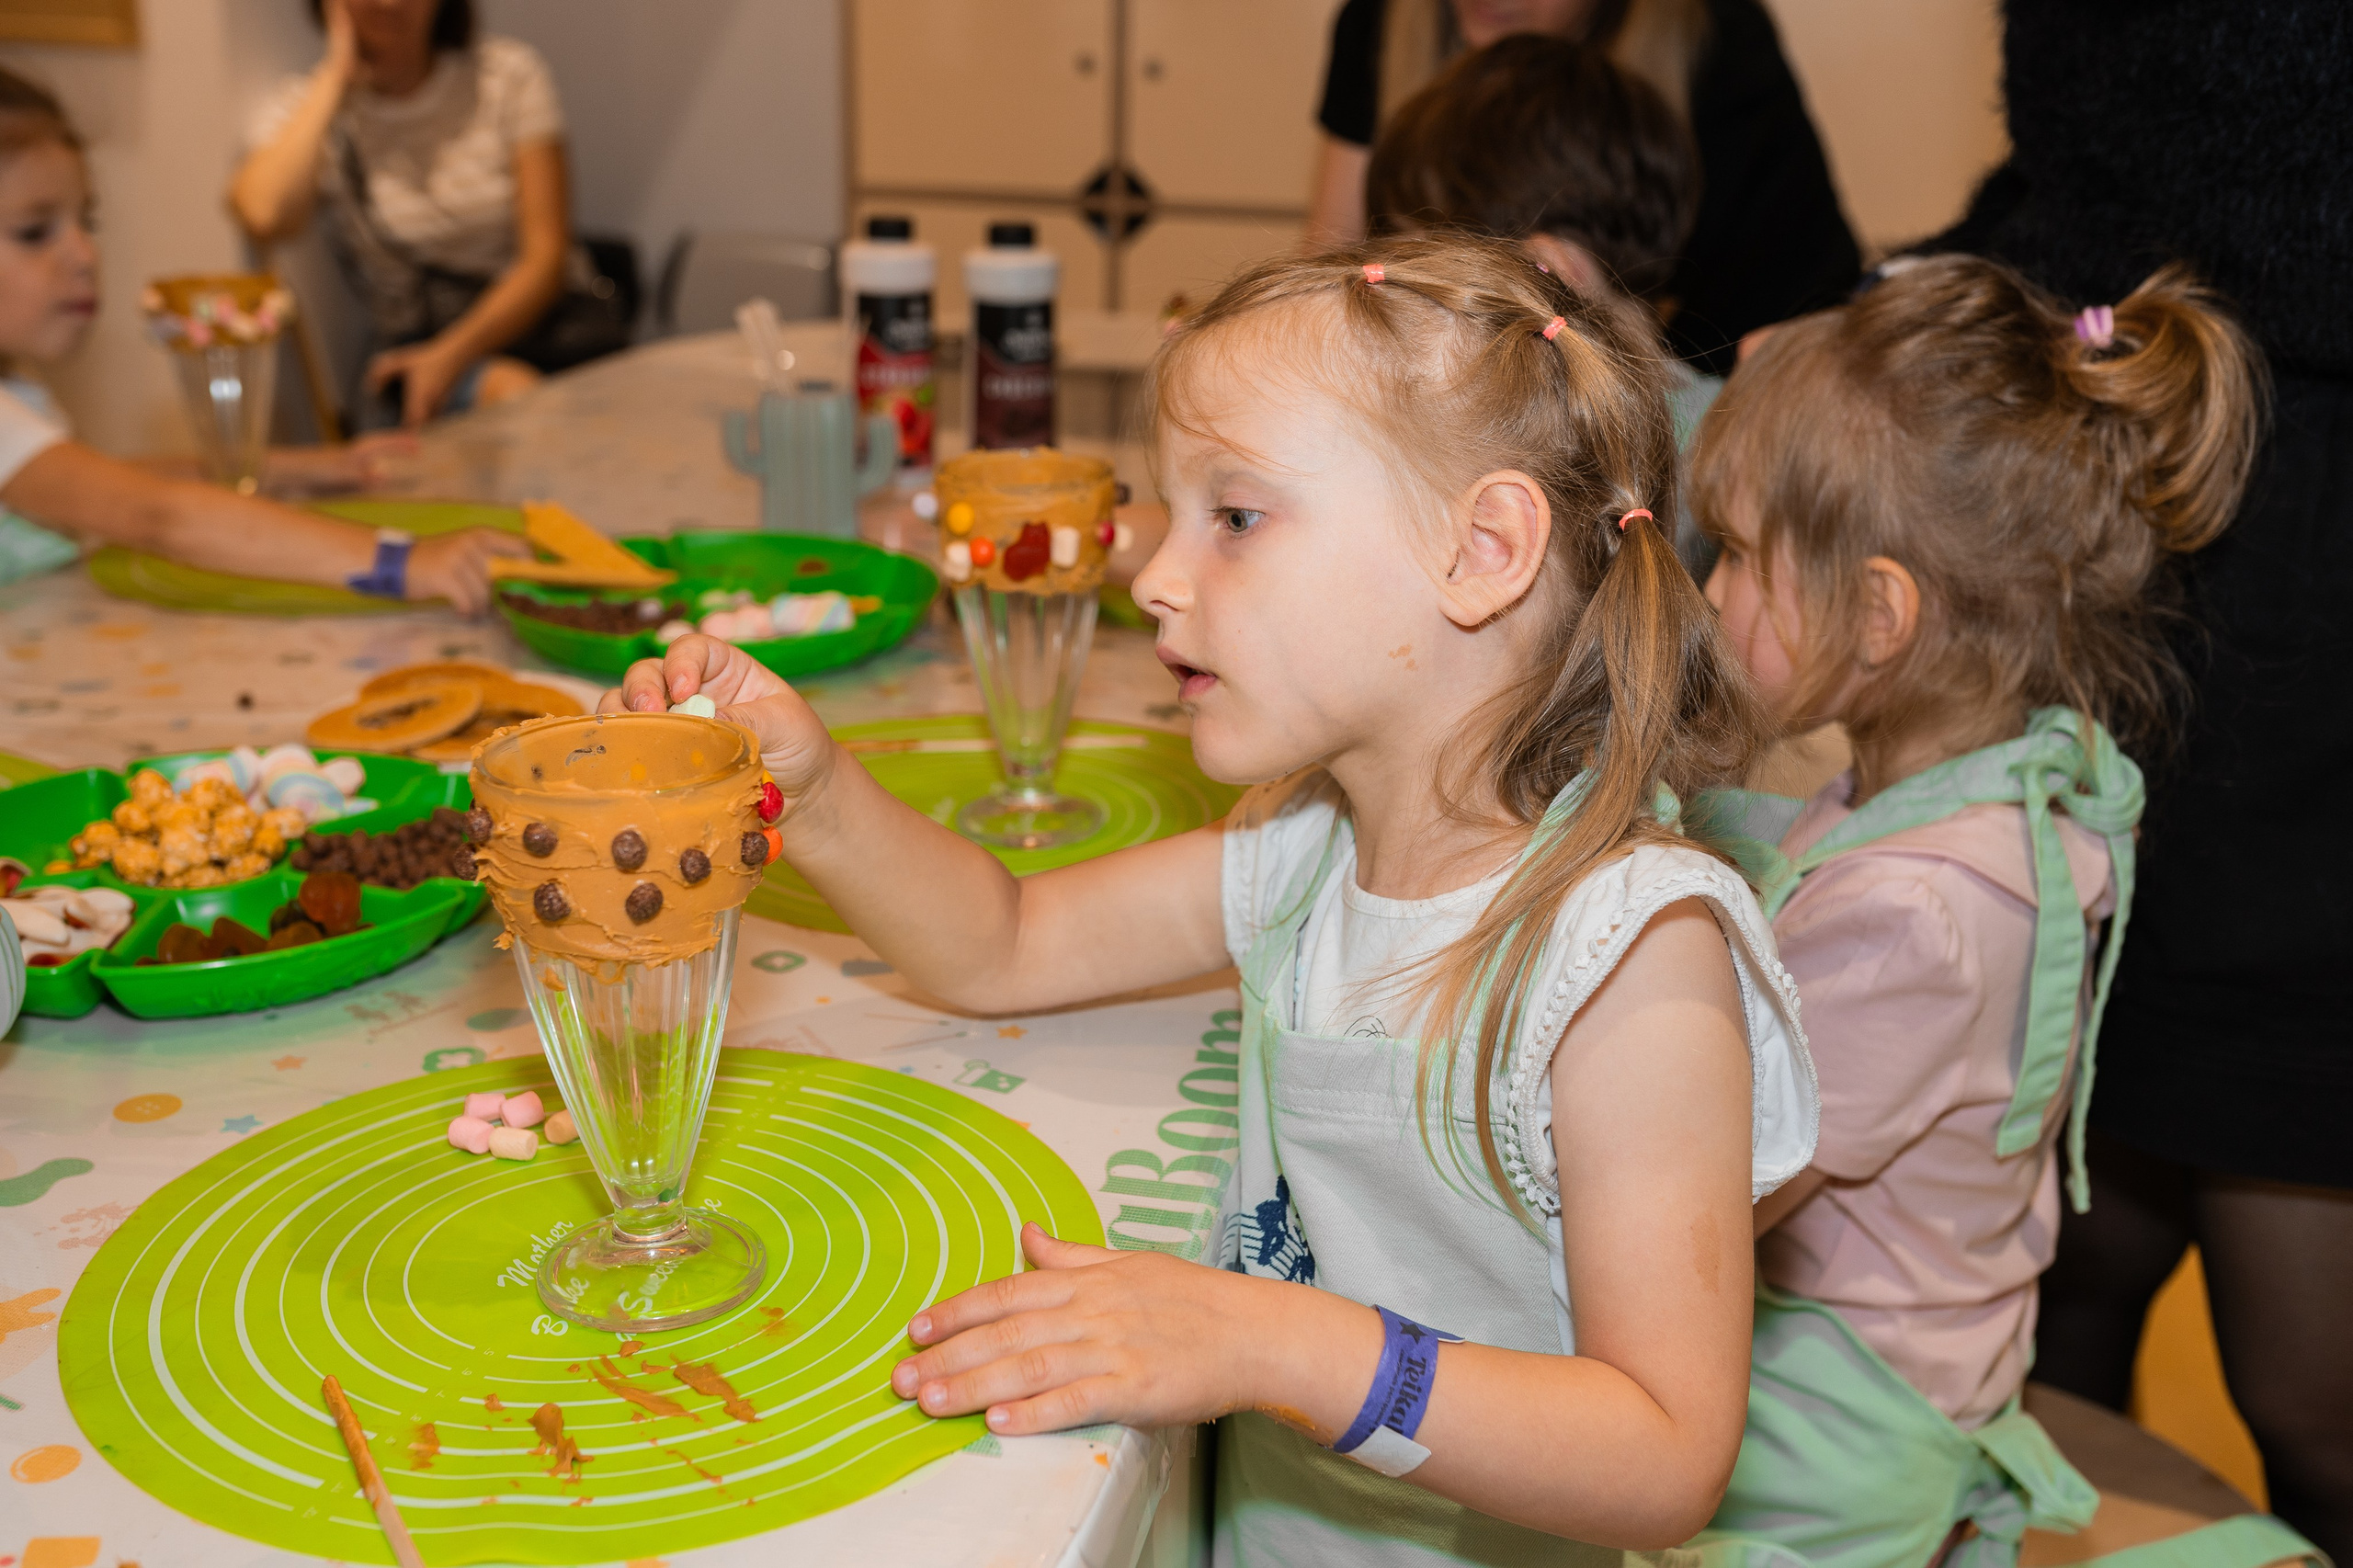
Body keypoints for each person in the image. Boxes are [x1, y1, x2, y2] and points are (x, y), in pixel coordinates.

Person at [609, 232, 1819, 1564]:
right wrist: (822, 795)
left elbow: (1662, 1452)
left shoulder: (1629, 957)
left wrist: (1257, 1336)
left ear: (1483, 548)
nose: (1152, 579)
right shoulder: (1307, 845)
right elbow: (1004, 946)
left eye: (1234, 517)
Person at [1686, 255, 2310, 1568]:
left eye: (1738, 557)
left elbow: (1700, 1195)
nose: (1710, 594)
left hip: (1829, 1435)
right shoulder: (1982, 788)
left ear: (1880, 615)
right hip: (1914, 1364)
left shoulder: (1922, 912)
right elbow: (1805, 863)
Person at [1897, 7, 2353, 1554]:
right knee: (2046, 1298)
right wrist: (1935, 294)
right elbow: (2094, 167)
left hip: (2321, 656)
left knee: (2314, 1392)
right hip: (2117, 571)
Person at [0, 67, 518, 609]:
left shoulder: (20, 398)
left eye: (88, 222)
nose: (84, 255)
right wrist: (403, 562)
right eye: (35, 233)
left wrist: (300, 467)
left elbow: (105, 482)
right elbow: (157, 514)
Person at [1309, 0, 1859, 376]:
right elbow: (1328, 267)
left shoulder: (1722, 47)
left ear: (1555, 268)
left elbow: (1811, 315)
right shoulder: (1380, 22)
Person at [1365, 32, 1722, 573]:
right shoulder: (1720, 422)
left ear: (1547, 275)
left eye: (1429, 277)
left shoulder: (1722, 454)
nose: (1402, 298)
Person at [230, 0, 620, 428]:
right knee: (515, 397)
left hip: (537, 325)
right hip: (419, 348)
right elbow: (262, 213)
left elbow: (544, 258)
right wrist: (335, 75)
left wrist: (453, 354)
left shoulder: (506, 76)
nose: (390, 3)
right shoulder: (310, 109)